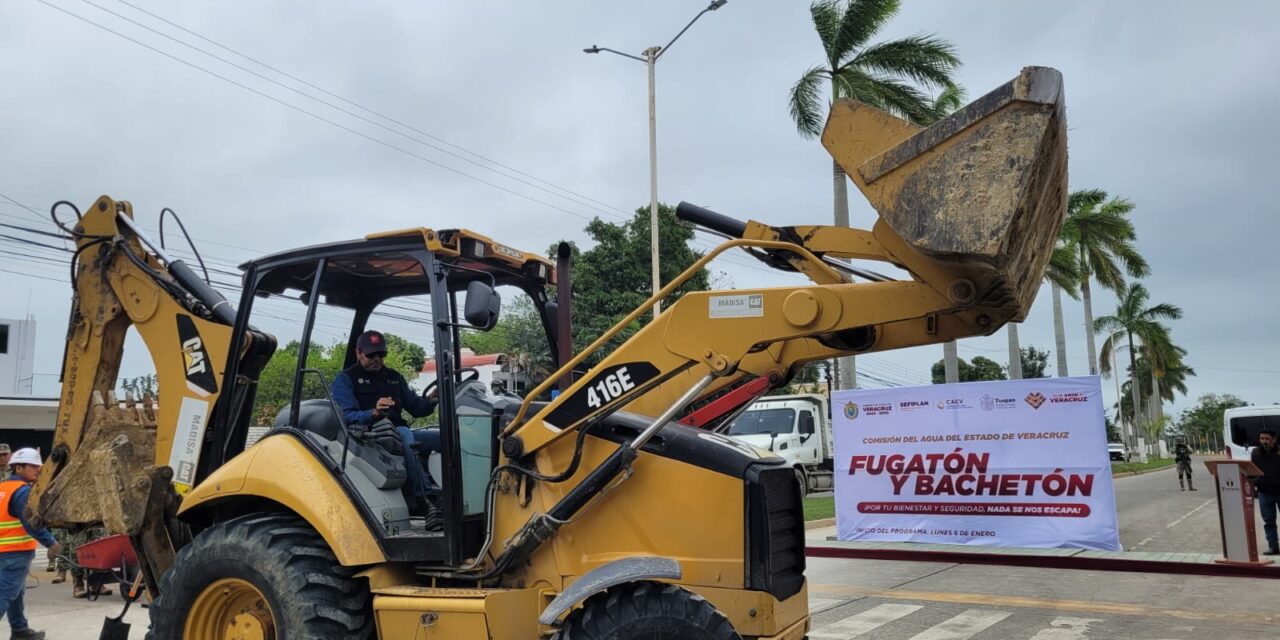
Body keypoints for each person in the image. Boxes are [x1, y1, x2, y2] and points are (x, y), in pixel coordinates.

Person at [331, 331, 440, 511]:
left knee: (444, 437)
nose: (377, 359)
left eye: (381, 354)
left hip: (398, 432)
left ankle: (457, 494)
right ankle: (425, 499)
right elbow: (346, 416)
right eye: (371, 355)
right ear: (358, 353)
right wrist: (374, 413)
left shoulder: (394, 378)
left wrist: (431, 400)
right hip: (368, 436)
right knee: (405, 434)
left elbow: (416, 408)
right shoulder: (346, 379)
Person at [0, 448, 60, 640]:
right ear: (18, 467)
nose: (38, 469)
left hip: (4, 551)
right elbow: (30, 522)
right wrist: (50, 542)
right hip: (15, 552)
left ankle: (19, 630)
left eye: (38, 466)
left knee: (15, 592)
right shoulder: (23, 491)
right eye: (33, 466)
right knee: (5, 593)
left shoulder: (3, 488)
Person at [1251, 427, 1280, 556]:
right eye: (1262, 438)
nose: (1264, 441)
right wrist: (1254, 484)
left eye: (1267, 439)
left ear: (1274, 440)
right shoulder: (1255, 453)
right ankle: (1273, 547)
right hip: (1264, 492)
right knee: (1269, 521)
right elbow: (1252, 470)